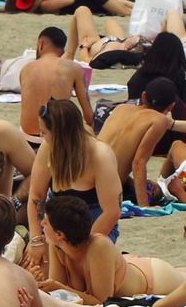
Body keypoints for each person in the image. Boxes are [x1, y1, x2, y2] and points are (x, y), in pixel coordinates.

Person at [41, 194, 186, 307]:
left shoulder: (98, 246)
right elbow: (58, 294)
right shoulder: (57, 246)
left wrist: (56, 286)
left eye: (45, 222)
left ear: (60, 234)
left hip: (153, 277)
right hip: (128, 266)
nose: (41, 224)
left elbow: (101, 301)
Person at [27, 97, 122, 257]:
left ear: (60, 135)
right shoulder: (48, 148)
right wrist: (36, 239)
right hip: (56, 222)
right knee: (38, 268)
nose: (41, 135)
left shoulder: (100, 156)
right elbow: (36, 196)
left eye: (44, 132)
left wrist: (81, 250)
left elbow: (112, 211)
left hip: (93, 223)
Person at [98, 77, 184, 207]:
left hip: (81, 177)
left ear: (144, 96)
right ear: (171, 106)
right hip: (103, 189)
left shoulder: (121, 108)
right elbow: (139, 162)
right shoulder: (159, 120)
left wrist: (132, 183)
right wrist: (144, 206)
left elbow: (114, 155)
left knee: (148, 186)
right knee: (157, 193)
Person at [20, 26, 94, 147]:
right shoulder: (73, 68)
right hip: (57, 138)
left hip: (28, 140)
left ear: (41, 44)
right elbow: (89, 116)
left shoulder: (25, 69)